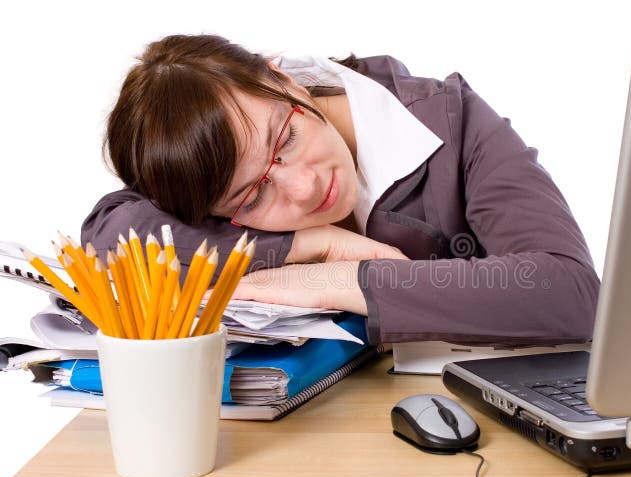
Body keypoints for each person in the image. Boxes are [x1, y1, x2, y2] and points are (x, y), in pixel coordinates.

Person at [82, 34, 600, 346]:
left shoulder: (453, 123)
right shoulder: (201, 167)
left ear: (283, 80)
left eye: (285, 138)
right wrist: (309, 245)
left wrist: (341, 279)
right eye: (253, 197)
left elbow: (570, 291)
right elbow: (107, 242)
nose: (305, 189)